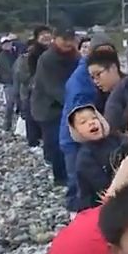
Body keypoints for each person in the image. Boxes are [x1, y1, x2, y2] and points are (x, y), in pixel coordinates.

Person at [59, 33, 117, 211]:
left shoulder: (92, 73)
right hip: (76, 137)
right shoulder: (82, 78)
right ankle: (76, 215)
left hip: (88, 135)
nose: (104, 56)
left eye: (108, 52)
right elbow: (80, 115)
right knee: (78, 181)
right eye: (100, 52)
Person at [31, 26, 79, 194]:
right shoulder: (47, 58)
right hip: (48, 107)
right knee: (56, 142)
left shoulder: (75, 56)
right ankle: (60, 177)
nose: (67, 43)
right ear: (55, 39)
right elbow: (51, 87)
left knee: (72, 141)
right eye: (64, 39)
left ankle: (73, 173)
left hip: (69, 103)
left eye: (71, 39)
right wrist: (73, 102)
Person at [68, 103, 125, 211]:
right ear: (76, 131)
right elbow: (102, 186)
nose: (91, 122)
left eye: (94, 118)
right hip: (98, 205)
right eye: (83, 122)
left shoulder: (116, 138)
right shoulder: (85, 157)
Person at [13, 39, 43, 148]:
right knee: (29, 117)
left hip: (40, 94)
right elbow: (20, 77)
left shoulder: (42, 58)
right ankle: (33, 142)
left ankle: (39, 138)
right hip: (27, 93)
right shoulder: (22, 60)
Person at [86, 47, 125, 112]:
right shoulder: (99, 99)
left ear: (113, 68)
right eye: (92, 77)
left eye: (98, 74)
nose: (95, 81)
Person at [0, 35, 19, 133]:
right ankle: (7, 125)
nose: (7, 45)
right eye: (5, 43)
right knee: (10, 104)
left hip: (17, 81)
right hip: (9, 82)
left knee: (21, 104)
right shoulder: (1, 56)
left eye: (9, 42)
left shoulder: (15, 52)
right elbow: (8, 69)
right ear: (1, 46)